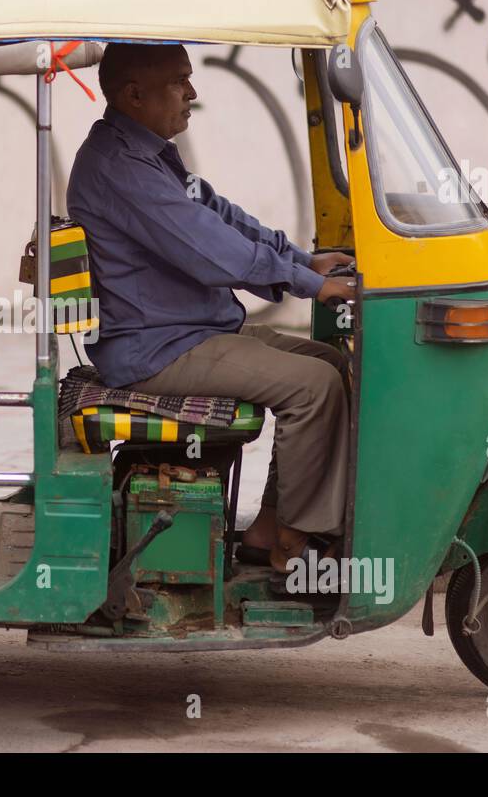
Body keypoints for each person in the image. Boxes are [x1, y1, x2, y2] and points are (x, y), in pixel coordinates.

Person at [66, 42, 355, 570]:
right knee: (314, 389)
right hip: (158, 350)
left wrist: (302, 261)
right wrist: (305, 284)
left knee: (331, 363)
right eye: (180, 81)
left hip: (188, 332)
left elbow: (219, 214)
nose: (192, 93)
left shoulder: (147, 152)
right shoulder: (120, 167)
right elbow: (209, 249)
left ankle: (271, 526)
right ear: (134, 95)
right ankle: (296, 542)